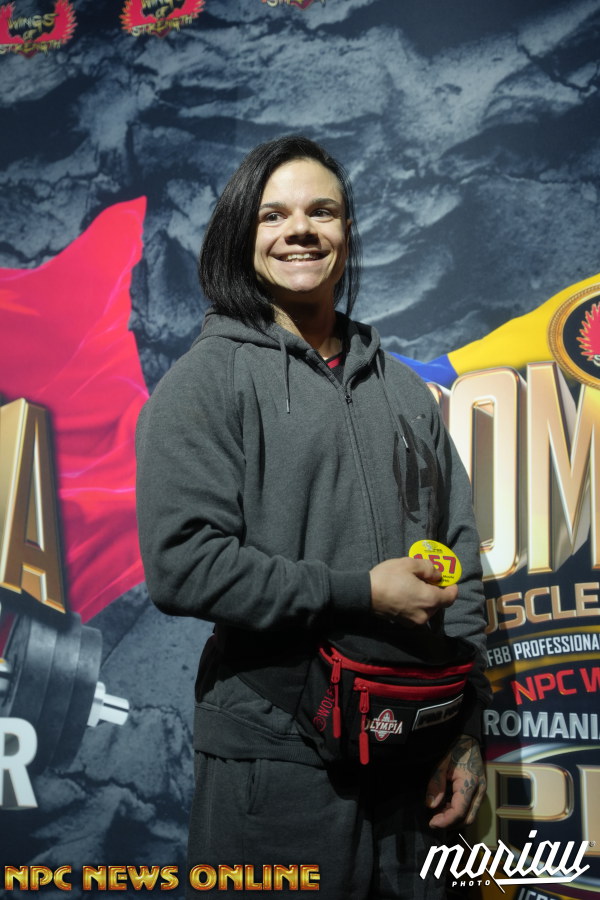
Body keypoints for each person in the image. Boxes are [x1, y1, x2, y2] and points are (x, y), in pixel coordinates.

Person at [135, 136, 490, 898]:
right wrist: (363, 592)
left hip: (410, 764)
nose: (300, 229)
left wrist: (465, 730)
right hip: (276, 763)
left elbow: (459, 557)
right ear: (243, 234)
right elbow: (182, 565)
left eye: (321, 211)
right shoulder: (204, 383)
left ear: (347, 233)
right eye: (275, 215)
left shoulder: (402, 390)